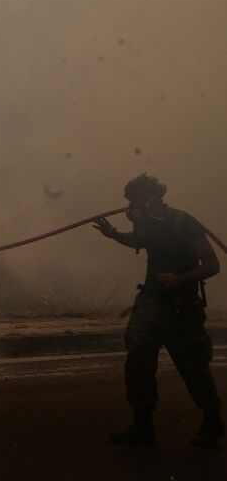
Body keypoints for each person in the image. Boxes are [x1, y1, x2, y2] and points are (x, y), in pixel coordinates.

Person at [93, 174, 223, 447]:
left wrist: (181, 279)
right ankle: (142, 428)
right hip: (150, 303)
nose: (132, 207)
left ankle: (212, 423)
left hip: (182, 308)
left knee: (193, 368)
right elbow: (137, 241)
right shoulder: (148, 225)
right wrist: (114, 235)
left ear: (153, 197)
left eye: (135, 201)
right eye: (129, 202)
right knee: (138, 363)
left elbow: (212, 265)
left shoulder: (182, 222)